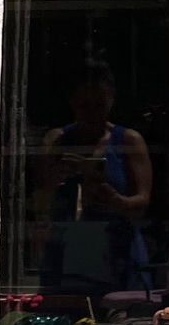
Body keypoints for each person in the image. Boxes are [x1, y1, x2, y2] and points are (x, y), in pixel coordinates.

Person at [39, 67, 153, 297]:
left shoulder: (128, 141)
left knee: (120, 312)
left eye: (99, 105)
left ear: (111, 100)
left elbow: (143, 202)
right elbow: (39, 197)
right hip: (68, 246)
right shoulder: (57, 141)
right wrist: (57, 176)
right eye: (84, 106)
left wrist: (115, 200)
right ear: (72, 102)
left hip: (117, 248)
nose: (91, 113)